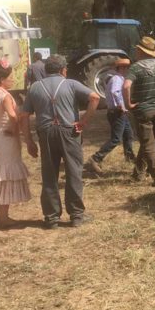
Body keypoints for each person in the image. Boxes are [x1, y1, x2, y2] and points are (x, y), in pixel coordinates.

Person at [20, 55, 100, 229]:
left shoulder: (34, 87)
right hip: (69, 132)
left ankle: (51, 217)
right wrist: (83, 121)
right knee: (73, 172)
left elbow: (24, 115)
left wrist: (28, 141)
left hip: (46, 133)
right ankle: (76, 216)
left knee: (49, 174)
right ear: (63, 70)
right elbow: (95, 98)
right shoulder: (70, 84)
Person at [0, 60, 31, 228]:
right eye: (10, 77)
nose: (13, 79)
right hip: (7, 140)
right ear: (2, 79)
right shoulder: (5, 96)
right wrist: (21, 120)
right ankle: (3, 216)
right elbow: (12, 117)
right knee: (6, 177)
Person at [123, 36, 155, 186]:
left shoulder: (135, 68)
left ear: (140, 51)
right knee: (148, 142)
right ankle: (138, 174)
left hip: (143, 111)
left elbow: (125, 86)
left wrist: (128, 104)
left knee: (148, 145)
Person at [86, 58, 135, 173]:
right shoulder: (117, 78)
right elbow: (115, 92)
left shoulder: (118, 78)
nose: (127, 69)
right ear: (121, 68)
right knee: (116, 139)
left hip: (118, 112)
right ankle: (95, 158)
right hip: (117, 112)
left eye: (128, 67)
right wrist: (121, 106)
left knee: (128, 134)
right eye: (126, 67)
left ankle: (130, 157)